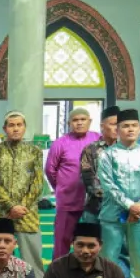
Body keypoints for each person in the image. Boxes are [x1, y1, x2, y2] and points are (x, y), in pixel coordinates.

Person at [98, 108, 140, 278]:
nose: (130, 129)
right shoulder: (107, 155)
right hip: (112, 214)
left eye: (133, 125)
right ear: (117, 130)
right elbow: (107, 184)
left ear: (139, 129)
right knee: (109, 258)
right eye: (125, 126)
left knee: (138, 257)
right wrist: (129, 205)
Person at [0, 111, 46, 278]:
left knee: (32, 259)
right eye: (11, 125)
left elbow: (37, 183)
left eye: (19, 125)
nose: (16, 128)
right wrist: (11, 206)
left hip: (27, 214)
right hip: (0, 214)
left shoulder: (34, 151)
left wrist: (22, 207)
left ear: (24, 128)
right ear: (5, 129)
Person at [45, 107, 101, 256]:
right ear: (69, 123)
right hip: (68, 201)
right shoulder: (60, 143)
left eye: (83, 119)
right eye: (75, 120)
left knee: (92, 241)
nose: (79, 123)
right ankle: (59, 270)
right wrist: (62, 187)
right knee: (62, 241)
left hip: (94, 202)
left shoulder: (98, 139)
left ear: (90, 121)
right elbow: (50, 170)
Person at [79, 106, 120, 224]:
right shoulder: (91, 149)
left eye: (119, 125)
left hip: (121, 210)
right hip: (95, 208)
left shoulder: (126, 150)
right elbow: (88, 180)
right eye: (113, 124)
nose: (116, 128)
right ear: (102, 126)